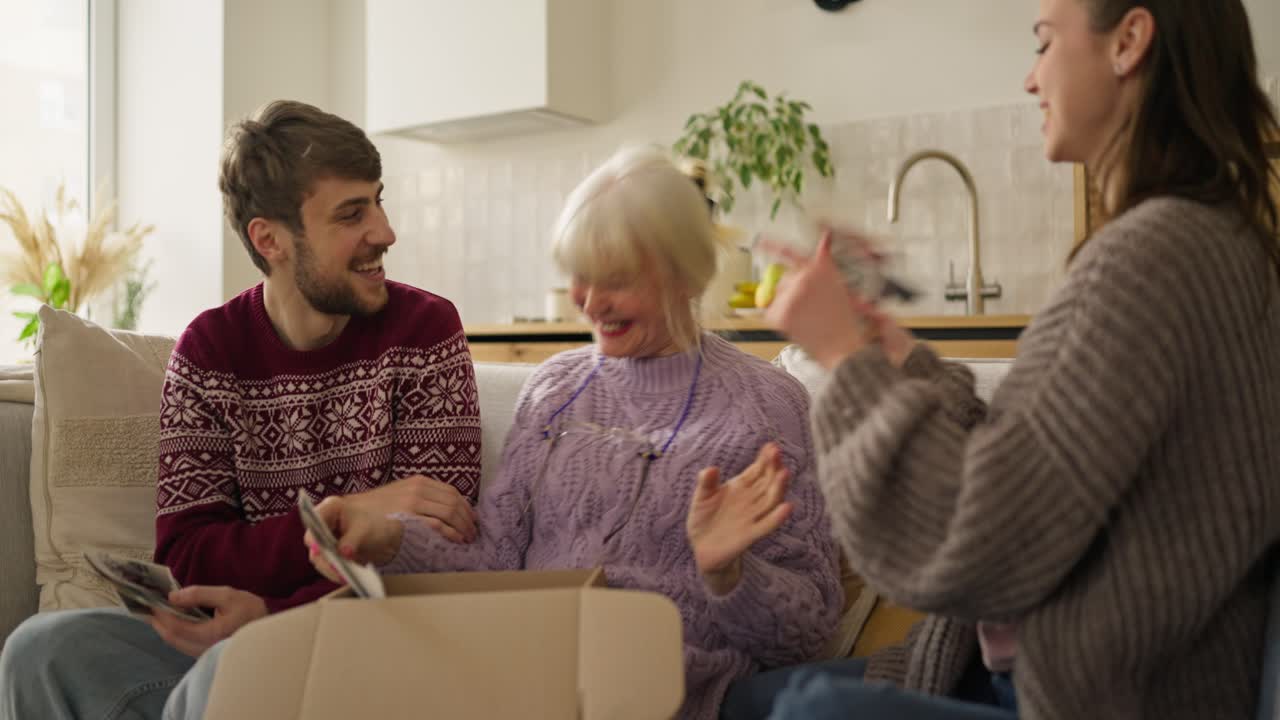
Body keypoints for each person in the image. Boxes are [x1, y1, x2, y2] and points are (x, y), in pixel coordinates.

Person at [761, 0, 1280, 718]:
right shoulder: (1204, 242)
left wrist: (844, 360)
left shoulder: (1154, 258)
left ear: (1129, 41)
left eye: (1043, 43)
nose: (1031, 79)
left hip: (1092, 697)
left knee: (799, 709)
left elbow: (973, 546)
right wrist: (895, 354)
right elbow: (1030, 468)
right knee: (754, 699)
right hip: (1060, 672)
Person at [300, 145, 844, 720]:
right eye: (580, 276)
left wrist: (728, 571)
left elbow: (811, 633)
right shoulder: (555, 390)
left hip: (663, 695)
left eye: (617, 279)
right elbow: (494, 562)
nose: (591, 302)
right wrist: (384, 540)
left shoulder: (766, 407)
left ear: (688, 274)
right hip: (521, 681)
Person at [0, 100, 483, 720]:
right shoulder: (210, 350)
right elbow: (190, 550)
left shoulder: (425, 331)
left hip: (370, 643)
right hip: (228, 634)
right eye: (352, 213)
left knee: (236, 667)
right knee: (40, 649)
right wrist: (348, 514)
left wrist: (270, 616)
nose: (385, 231)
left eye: (379, 200)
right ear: (270, 239)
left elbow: (442, 545)